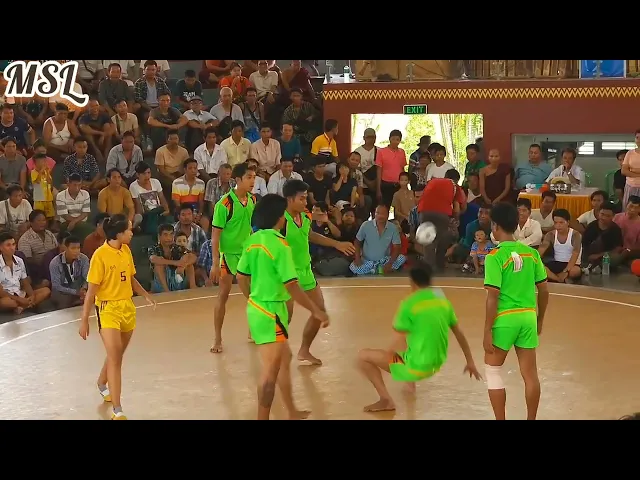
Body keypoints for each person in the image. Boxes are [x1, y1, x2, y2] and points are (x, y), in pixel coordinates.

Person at [236, 194, 330, 420]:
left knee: (284, 360)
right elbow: (292, 286)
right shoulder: (280, 244)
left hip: (258, 309)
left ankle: (292, 411)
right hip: (272, 312)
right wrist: (315, 310)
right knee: (270, 372)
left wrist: (252, 299)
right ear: (280, 218)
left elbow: (241, 276)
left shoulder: (252, 240)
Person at [357, 262, 481, 413]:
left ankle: (386, 400)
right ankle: (410, 382)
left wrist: (388, 356)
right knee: (410, 337)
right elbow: (459, 334)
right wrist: (470, 362)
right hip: (436, 364)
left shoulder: (409, 304)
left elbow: (398, 340)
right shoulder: (443, 302)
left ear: (412, 281)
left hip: (416, 367)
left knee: (363, 356)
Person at [78, 215, 156, 420]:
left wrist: (145, 295)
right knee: (115, 358)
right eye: (129, 229)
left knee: (117, 354)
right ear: (119, 233)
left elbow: (130, 279)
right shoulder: (100, 256)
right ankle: (117, 409)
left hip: (127, 307)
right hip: (107, 309)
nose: (132, 232)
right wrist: (84, 319)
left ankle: (101, 382)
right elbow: (91, 292)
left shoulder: (126, 250)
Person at [483, 203, 550, 420]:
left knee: (493, 371)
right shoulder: (532, 254)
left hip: (505, 320)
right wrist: (539, 319)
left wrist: (487, 330)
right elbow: (544, 290)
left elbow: (492, 297)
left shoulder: (495, 256)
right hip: (528, 317)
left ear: (495, 226)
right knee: (530, 375)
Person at [281, 179, 355, 365]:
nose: (305, 202)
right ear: (290, 199)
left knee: (319, 310)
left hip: (306, 271)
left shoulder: (305, 216)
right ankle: (274, 354)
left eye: (306, 198)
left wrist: (336, 244)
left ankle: (304, 350)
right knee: (285, 318)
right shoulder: (280, 220)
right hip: (285, 273)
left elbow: (310, 235)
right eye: (302, 198)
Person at [210, 163, 256, 353]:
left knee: (253, 294)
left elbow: (250, 226)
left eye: (254, 177)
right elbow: (215, 236)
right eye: (249, 177)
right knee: (223, 295)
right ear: (237, 180)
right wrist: (215, 263)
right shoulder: (224, 204)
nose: (252, 181)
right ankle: (217, 339)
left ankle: (253, 330)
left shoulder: (253, 199)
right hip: (228, 256)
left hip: (247, 254)